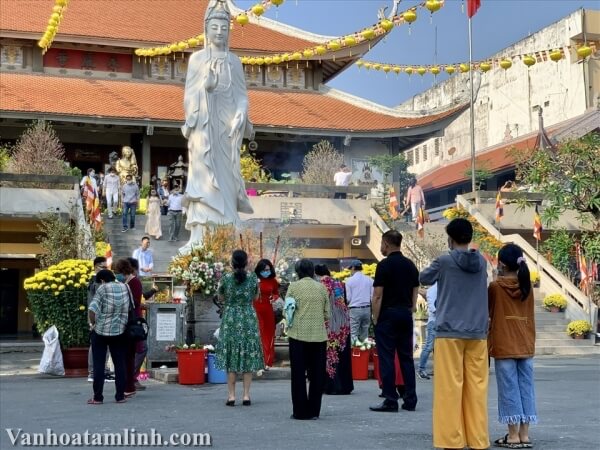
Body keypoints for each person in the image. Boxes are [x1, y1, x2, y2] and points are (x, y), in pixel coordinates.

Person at [180, 0, 254, 251]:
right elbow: (189, 95)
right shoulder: (197, 59)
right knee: (204, 175)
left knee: (228, 178)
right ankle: (201, 234)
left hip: (227, 128)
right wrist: (206, 87)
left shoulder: (235, 61)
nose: (220, 31)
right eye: (215, 26)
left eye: (224, 27)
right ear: (206, 29)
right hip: (204, 126)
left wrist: (241, 115)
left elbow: (242, 94)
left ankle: (228, 230)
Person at [420, 218, 490, 450]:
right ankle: (478, 440)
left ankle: (452, 440)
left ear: (450, 238)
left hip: (449, 331)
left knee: (450, 387)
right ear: (469, 238)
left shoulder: (444, 261)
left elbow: (424, 278)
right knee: (477, 388)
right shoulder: (481, 261)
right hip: (478, 332)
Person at [489, 244, 536, 449]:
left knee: (509, 389)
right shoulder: (527, 286)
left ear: (501, 264)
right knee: (526, 388)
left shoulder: (495, 287)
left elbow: (489, 313)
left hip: (504, 343)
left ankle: (513, 435)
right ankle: (525, 434)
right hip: (525, 343)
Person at [369, 230, 419, 413]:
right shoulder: (410, 265)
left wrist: (376, 318)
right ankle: (410, 399)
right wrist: (411, 309)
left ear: (386, 244)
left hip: (388, 315)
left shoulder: (384, 265)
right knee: (406, 358)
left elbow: (377, 295)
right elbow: (415, 290)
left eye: (382, 244)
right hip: (405, 314)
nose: (381, 248)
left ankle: (390, 399)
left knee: (387, 357)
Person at [214, 250, 264, 406]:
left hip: (231, 318)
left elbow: (220, 297)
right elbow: (256, 297)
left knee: (231, 356)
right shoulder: (253, 278)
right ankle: (246, 395)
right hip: (248, 317)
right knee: (247, 355)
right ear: (246, 262)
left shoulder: (226, 278)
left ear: (232, 262)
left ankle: (231, 396)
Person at [285, 259, 330, 420]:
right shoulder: (321, 288)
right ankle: (314, 411)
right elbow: (327, 314)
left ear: (298, 272)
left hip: (298, 335)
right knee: (317, 375)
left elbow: (288, 311)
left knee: (298, 375)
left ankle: (300, 411)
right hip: (318, 336)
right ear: (312, 271)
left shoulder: (293, 287)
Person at [87, 269, 129, 404]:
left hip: (100, 332)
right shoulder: (125, 287)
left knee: (99, 364)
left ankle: (98, 397)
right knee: (120, 364)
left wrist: (92, 324)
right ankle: (120, 396)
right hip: (120, 331)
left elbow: (92, 310)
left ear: (102, 281)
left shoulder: (103, 288)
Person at [314, 264, 353, 396]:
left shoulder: (320, 285)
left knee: (330, 356)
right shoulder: (339, 284)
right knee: (342, 355)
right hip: (343, 324)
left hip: (329, 324)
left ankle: (332, 386)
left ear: (316, 274)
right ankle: (345, 386)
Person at [114, 258, 143, 398]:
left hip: (132, 322)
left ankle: (130, 385)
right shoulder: (125, 282)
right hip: (125, 320)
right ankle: (127, 384)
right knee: (126, 355)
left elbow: (136, 302)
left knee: (129, 355)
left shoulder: (134, 282)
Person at [87, 257, 113, 383]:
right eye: (103, 267)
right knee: (96, 346)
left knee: (104, 345)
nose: (105, 270)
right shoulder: (95, 281)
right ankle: (94, 372)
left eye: (106, 267)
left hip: (102, 316)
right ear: (96, 267)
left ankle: (103, 371)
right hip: (96, 317)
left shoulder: (99, 281)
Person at [254, 259, 279, 370]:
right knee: (258, 334)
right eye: (264, 270)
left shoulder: (273, 281)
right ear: (259, 270)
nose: (266, 271)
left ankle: (267, 361)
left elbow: (276, 294)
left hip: (268, 310)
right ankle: (257, 361)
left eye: (268, 270)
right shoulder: (253, 279)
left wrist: (274, 298)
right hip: (255, 309)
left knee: (269, 335)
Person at [344, 259, 373, 344]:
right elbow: (372, 296)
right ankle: (364, 355)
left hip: (354, 310)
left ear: (353, 268)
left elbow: (348, 298)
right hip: (367, 309)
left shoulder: (349, 281)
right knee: (365, 335)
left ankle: (355, 355)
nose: (350, 271)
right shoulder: (370, 280)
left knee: (353, 334)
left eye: (350, 269)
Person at [417, 282, 437, 380]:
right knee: (429, 346)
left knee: (438, 347)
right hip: (434, 322)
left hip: (439, 322)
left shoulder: (441, 287)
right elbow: (433, 308)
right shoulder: (433, 290)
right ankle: (421, 368)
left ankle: (437, 369)